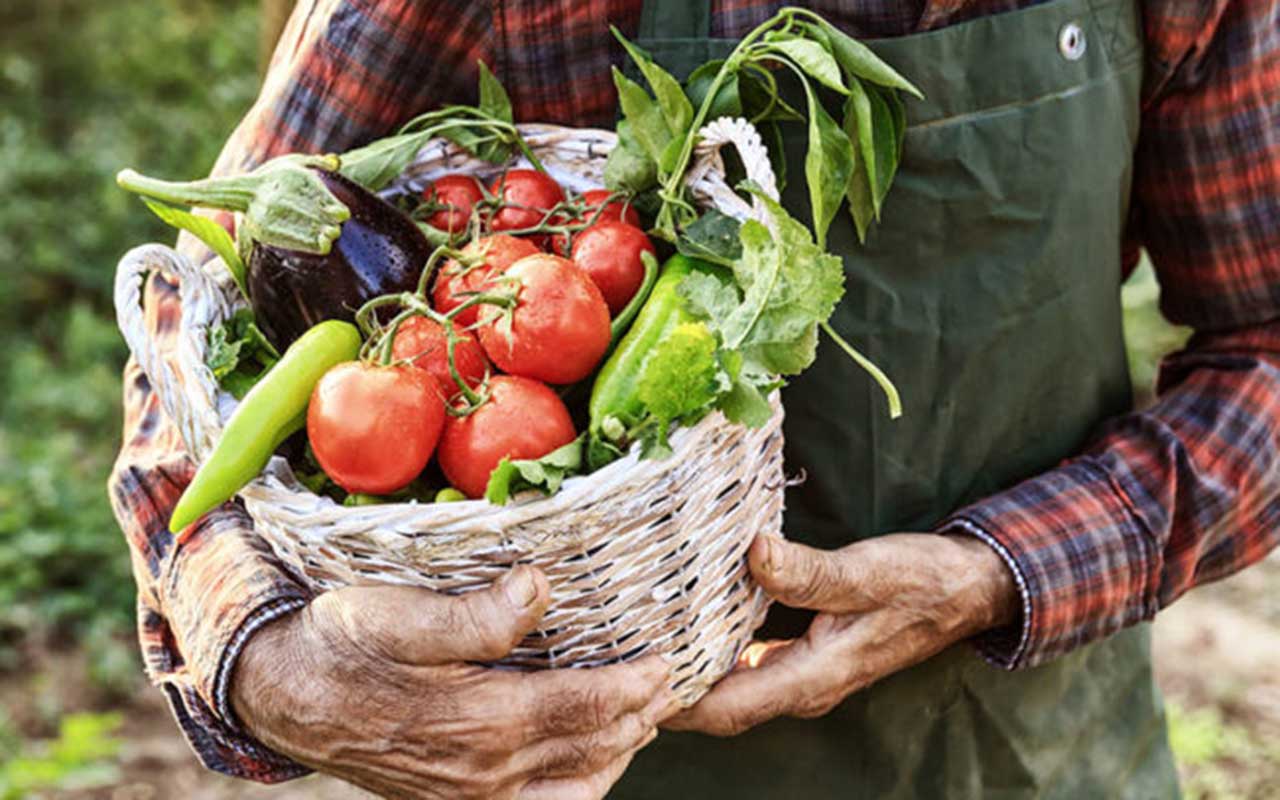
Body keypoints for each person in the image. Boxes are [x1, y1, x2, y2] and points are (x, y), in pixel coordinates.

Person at [109, 0, 1280, 797]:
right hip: (582, 763)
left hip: (1019, 747)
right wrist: (269, 662)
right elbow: (198, 335)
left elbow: (1264, 346)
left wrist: (1003, 567)